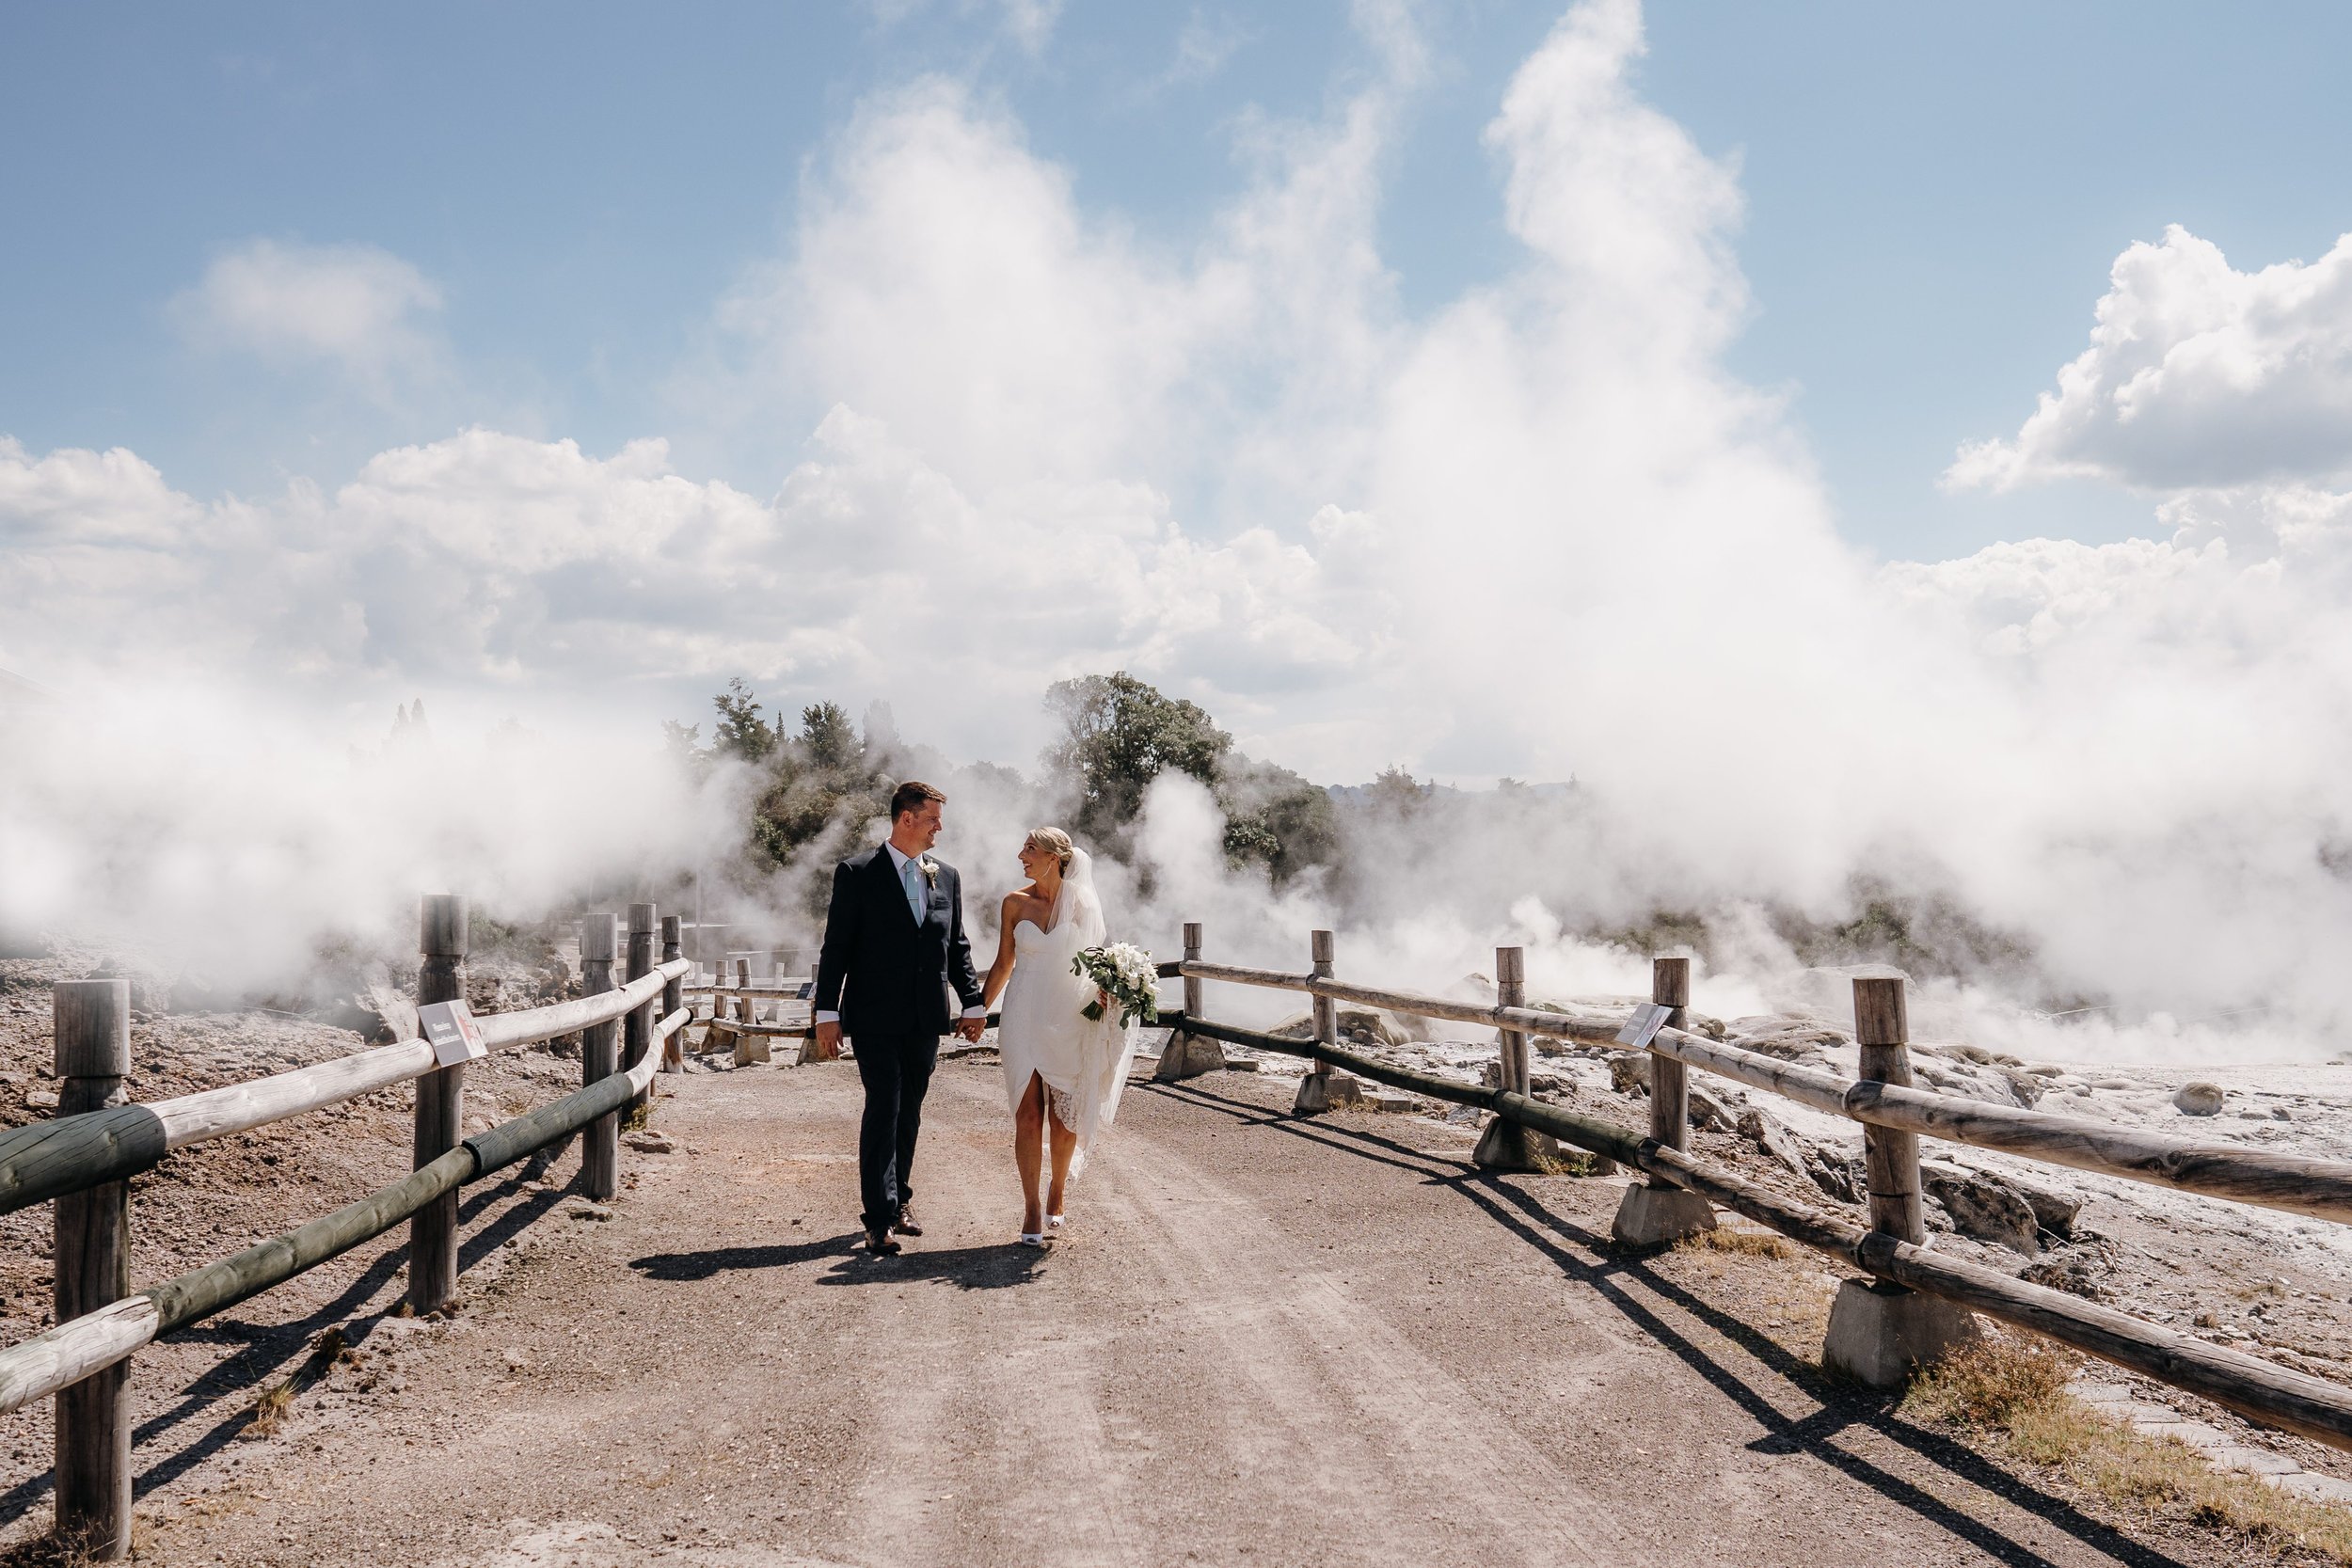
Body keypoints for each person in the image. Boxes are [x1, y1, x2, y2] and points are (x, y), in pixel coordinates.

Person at [813, 781, 988, 1256]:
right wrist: (827, 1011)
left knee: (909, 1110)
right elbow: (837, 948)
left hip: (926, 1015)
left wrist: (972, 1002)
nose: (939, 828)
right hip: (872, 1015)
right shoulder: (857, 872)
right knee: (884, 1106)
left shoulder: (946, 876)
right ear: (906, 818)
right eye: (933, 818)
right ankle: (878, 1218)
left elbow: (956, 947)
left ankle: (900, 1201)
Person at [980, 827, 1141, 1246]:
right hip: (1022, 1013)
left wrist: (1109, 990)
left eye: (1030, 849)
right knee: (1027, 1112)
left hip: (1069, 1015)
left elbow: (1095, 962)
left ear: (1054, 857)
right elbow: (1002, 963)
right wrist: (979, 1008)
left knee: (1062, 1117)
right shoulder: (1014, 903)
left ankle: (1058, 1190)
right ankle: (1032, 1206)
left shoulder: (1084, 903)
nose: (1021, 855)